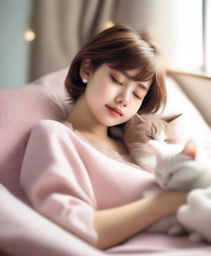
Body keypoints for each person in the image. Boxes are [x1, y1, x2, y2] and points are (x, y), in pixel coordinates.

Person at [20, 24, 187, 251]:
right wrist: (166, 201)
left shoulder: (138, 146)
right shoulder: (54, 135)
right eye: (117, 81)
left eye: (138, 93)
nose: (125, 99)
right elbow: (73, 227)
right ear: (87, 69)